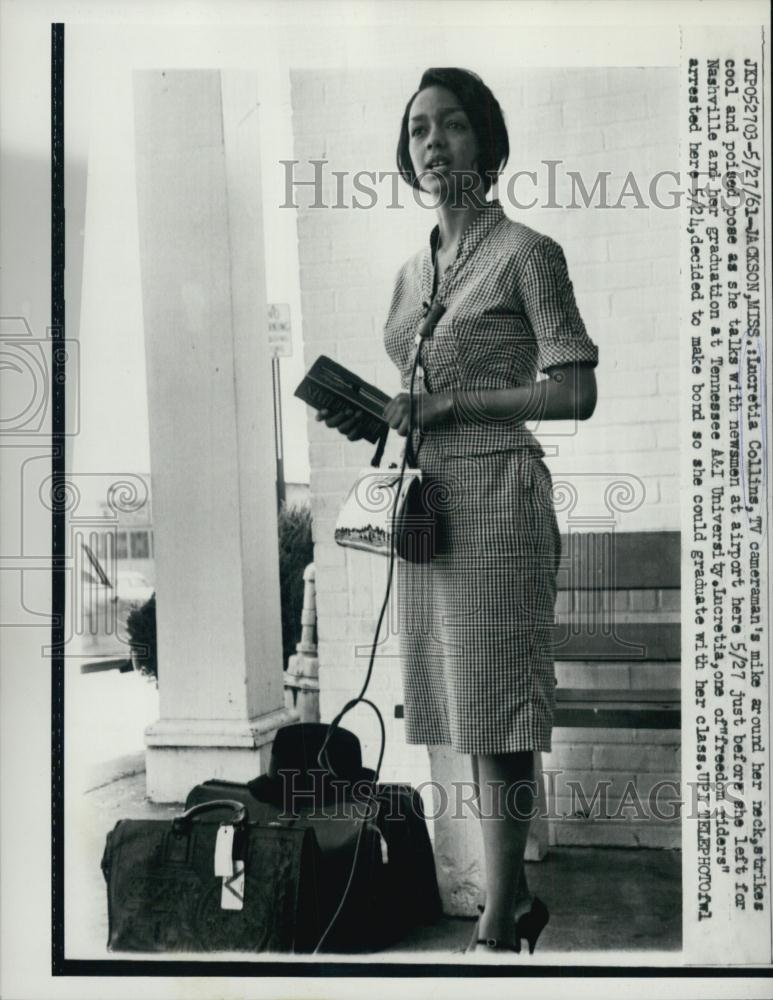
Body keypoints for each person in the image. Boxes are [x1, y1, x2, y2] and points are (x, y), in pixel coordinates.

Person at [316, 67, 598, 953]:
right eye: (416, 132)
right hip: (430, 505)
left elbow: (575, 392)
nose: (433, 144)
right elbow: (420, 386)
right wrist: (379, 410)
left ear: (488, 140)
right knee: (460, 710)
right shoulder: (411, 272)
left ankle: (496, 924)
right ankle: (509, 904)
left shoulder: (527, 252)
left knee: (499, 713)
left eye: (453, 126)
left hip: (498, 495)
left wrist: (449, 408)